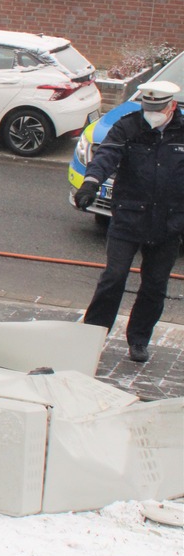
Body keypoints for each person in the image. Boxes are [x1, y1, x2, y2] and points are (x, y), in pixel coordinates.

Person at [74, 80, 184, 363]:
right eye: (147, 107)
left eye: (157, 108)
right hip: (129, 217)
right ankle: (92, 337)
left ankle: (139, 340)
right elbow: (108, 154)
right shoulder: (128, 126)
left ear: (172, 106)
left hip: (168, 223)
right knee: (113, 278)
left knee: (155, 285)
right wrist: (91, 183)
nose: (151, 112)